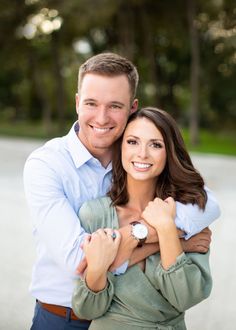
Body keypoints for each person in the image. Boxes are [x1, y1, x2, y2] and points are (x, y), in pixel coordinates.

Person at [23, 53, 220, 330]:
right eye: (91, 103)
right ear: (77, 102)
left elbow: (207, 203)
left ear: (132, 107)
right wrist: (173, 240)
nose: (101, 118)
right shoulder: (47, 164)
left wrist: (158, 234)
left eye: (115, 105)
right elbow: (82, 262)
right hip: (63, 317)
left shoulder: (135, 153)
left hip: (122, 318)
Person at [72, 107, 216, 330]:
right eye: (132, 142)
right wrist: (98, 270)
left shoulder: (188, 215)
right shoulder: (95, 213)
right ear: (120, 147)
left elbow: (185, 297)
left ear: (169, 152)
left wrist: (167, 227)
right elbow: (87, 309)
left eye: (155, 145)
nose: (142, 154)